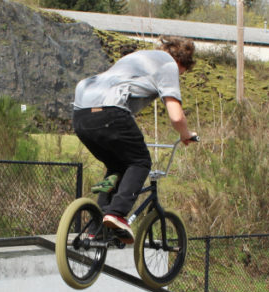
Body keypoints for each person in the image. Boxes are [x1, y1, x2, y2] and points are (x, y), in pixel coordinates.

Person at [72, 36, 198, 244]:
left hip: (81, 115)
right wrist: (186, 134)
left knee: (117, 166)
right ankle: (117, 214)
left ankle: (97, 227)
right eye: (182, 73)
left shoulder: (136, 59)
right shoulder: (168, 65)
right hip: (110, 111)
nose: (179, 77)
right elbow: (176, 116)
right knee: (140, 162)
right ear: (182, 62)